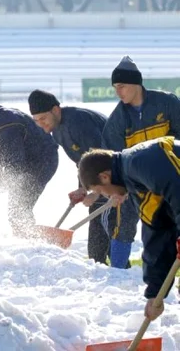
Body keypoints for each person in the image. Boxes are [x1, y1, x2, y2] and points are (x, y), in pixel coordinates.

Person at [77, 136, 180, 321]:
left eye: (101, 191)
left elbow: (177, 188)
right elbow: (156, 230)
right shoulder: (135, 186)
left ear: (105, 176)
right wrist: (155, 293)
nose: (106, 196)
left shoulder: (140, 160)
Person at [28, 89, 132, 268]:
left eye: (43, 118)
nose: (41, 125)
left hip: (117, 177)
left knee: (106, 230)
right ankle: (108, 270)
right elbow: (84, 162)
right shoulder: (57, 130)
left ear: (56, 110)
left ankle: (119, 273)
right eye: (36, 121)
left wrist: (96, 193)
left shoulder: (78, 123)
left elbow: (102, 159)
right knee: (98, 237)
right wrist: (83, 188)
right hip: (103, 178)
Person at [99, 55, 180, 269]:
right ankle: (118, 270)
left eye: (122, 86)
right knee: (122, 220)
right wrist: (117, 189)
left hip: (170, 175)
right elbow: (112, 158)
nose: (118, 91)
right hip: (135, 182)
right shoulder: (116, 121)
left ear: (136, 84)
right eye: (115, 87)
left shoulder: (168, 103)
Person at [0, 91, 59, 237]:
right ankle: (26, 237)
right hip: (24, 160)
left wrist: (3, 179)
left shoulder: (5, 125)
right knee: (16, 206)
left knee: (18, 207)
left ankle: (32, 242)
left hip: (42, 159)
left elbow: (15, 163)